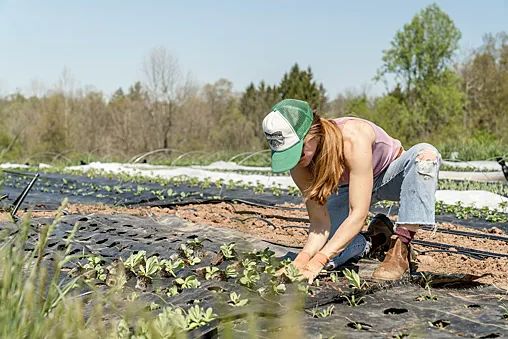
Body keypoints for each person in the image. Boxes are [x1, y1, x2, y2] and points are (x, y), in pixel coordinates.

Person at [262, 99, 441, 282]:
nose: (297, 160)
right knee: (332, 249)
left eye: (298, 151)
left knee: (426, 155)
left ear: (313, 133)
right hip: (349, 188)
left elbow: (358, 214)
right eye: (288, 155)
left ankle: (401, 247)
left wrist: (318, 261)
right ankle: (375, 239)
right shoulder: (299, 165)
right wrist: (303, 259)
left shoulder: (352, 137)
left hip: (389, 176)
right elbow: (319, 224)